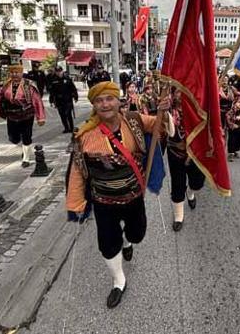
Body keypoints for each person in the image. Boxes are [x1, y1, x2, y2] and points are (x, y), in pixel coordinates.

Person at [65, 81, 171, 309]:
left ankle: (128, 241)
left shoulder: (134, 120)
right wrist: (76, 202)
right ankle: (118, 280)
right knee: (107, 243)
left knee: (137, 233)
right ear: (93, 105)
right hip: (103, 201)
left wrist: (165, 110)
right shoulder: (84, 135)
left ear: (119, 100)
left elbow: (159, 127)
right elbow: (77, 171)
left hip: (134, 196)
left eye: (109, 98)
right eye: (99, 100)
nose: (105, 104)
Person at [0, 64, 46, 167]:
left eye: (17, 72)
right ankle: (22, 146)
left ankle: (26, 158)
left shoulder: (29, 86)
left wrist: (40, 117)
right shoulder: (4, 86)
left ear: (21, 73)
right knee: (13, 138)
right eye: (12, 72)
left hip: (27, 115)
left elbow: (37, 101)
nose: (14, 74)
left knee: (26, 136)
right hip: (11, 115)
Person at [166, 89, 205, 231]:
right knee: (177, 183)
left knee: (197, 182)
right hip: (175, 152)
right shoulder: (167, 107)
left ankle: (191, 192)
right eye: (177, 92)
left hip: (195, 153)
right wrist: (162, 111)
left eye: (184, 91)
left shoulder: (197, 107)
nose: (180, 95)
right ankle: (178, 216)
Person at [53, 67, 78, 133]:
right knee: (62, 115)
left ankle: (71, 128)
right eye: (57, 71)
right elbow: (52, 92)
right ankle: (66, 128)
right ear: (55, 72)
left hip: (67, 100)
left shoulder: (67, 79)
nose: (59, 73)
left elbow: (73, 88)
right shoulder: (54, 80)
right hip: (59, 101)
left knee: (68, 114)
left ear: (62, 71)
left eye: (60, 71)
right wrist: (51, 100)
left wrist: (75, 96)